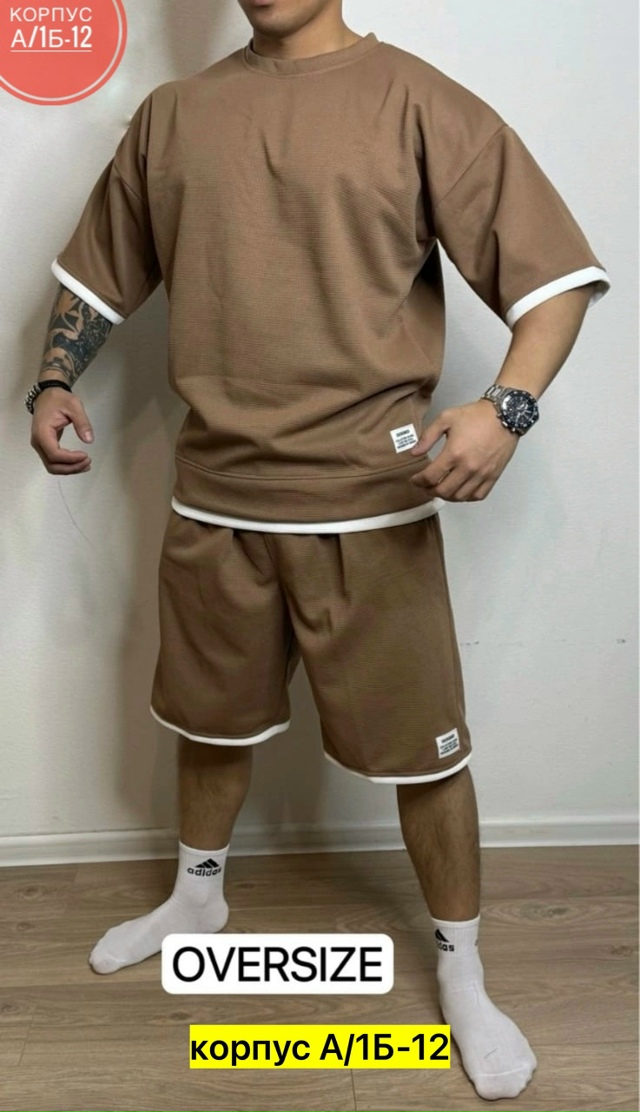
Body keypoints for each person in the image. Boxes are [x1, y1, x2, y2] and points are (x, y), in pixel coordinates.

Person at [27, 0, 610, 1100]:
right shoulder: (174, 116)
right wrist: (54, 378)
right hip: (215, 498)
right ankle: (198, 897)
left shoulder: (419, 102)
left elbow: (554, 281)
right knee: (209, 721)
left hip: (371, 505)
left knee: (426, 757)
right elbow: (97, 276)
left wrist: (506, 410)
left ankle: (462, 967)